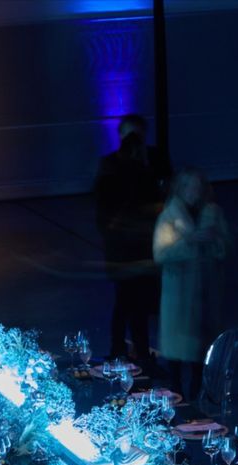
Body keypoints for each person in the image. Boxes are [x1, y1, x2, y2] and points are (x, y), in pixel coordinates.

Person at [93, 115, 165, 370]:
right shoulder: (112, 165)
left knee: (139, 300)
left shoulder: (153, 159)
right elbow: (104, 206)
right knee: (126, 299)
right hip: (124, 247)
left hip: (145, 244)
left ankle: (134, 350)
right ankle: (127, 349)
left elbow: (163, 191)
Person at [153, 167, 229, 402]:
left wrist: (214, 242)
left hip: (205, 292)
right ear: (180, 188)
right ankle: (177, 395)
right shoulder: (169, 217)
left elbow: (226, 248)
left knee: (200, 349)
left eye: (198, 186)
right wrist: (189, 241)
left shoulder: (212, 214)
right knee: (177, 350)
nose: (194, 191)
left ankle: (196, 396)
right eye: (189, 186)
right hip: (179, 293)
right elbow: (161, 253)